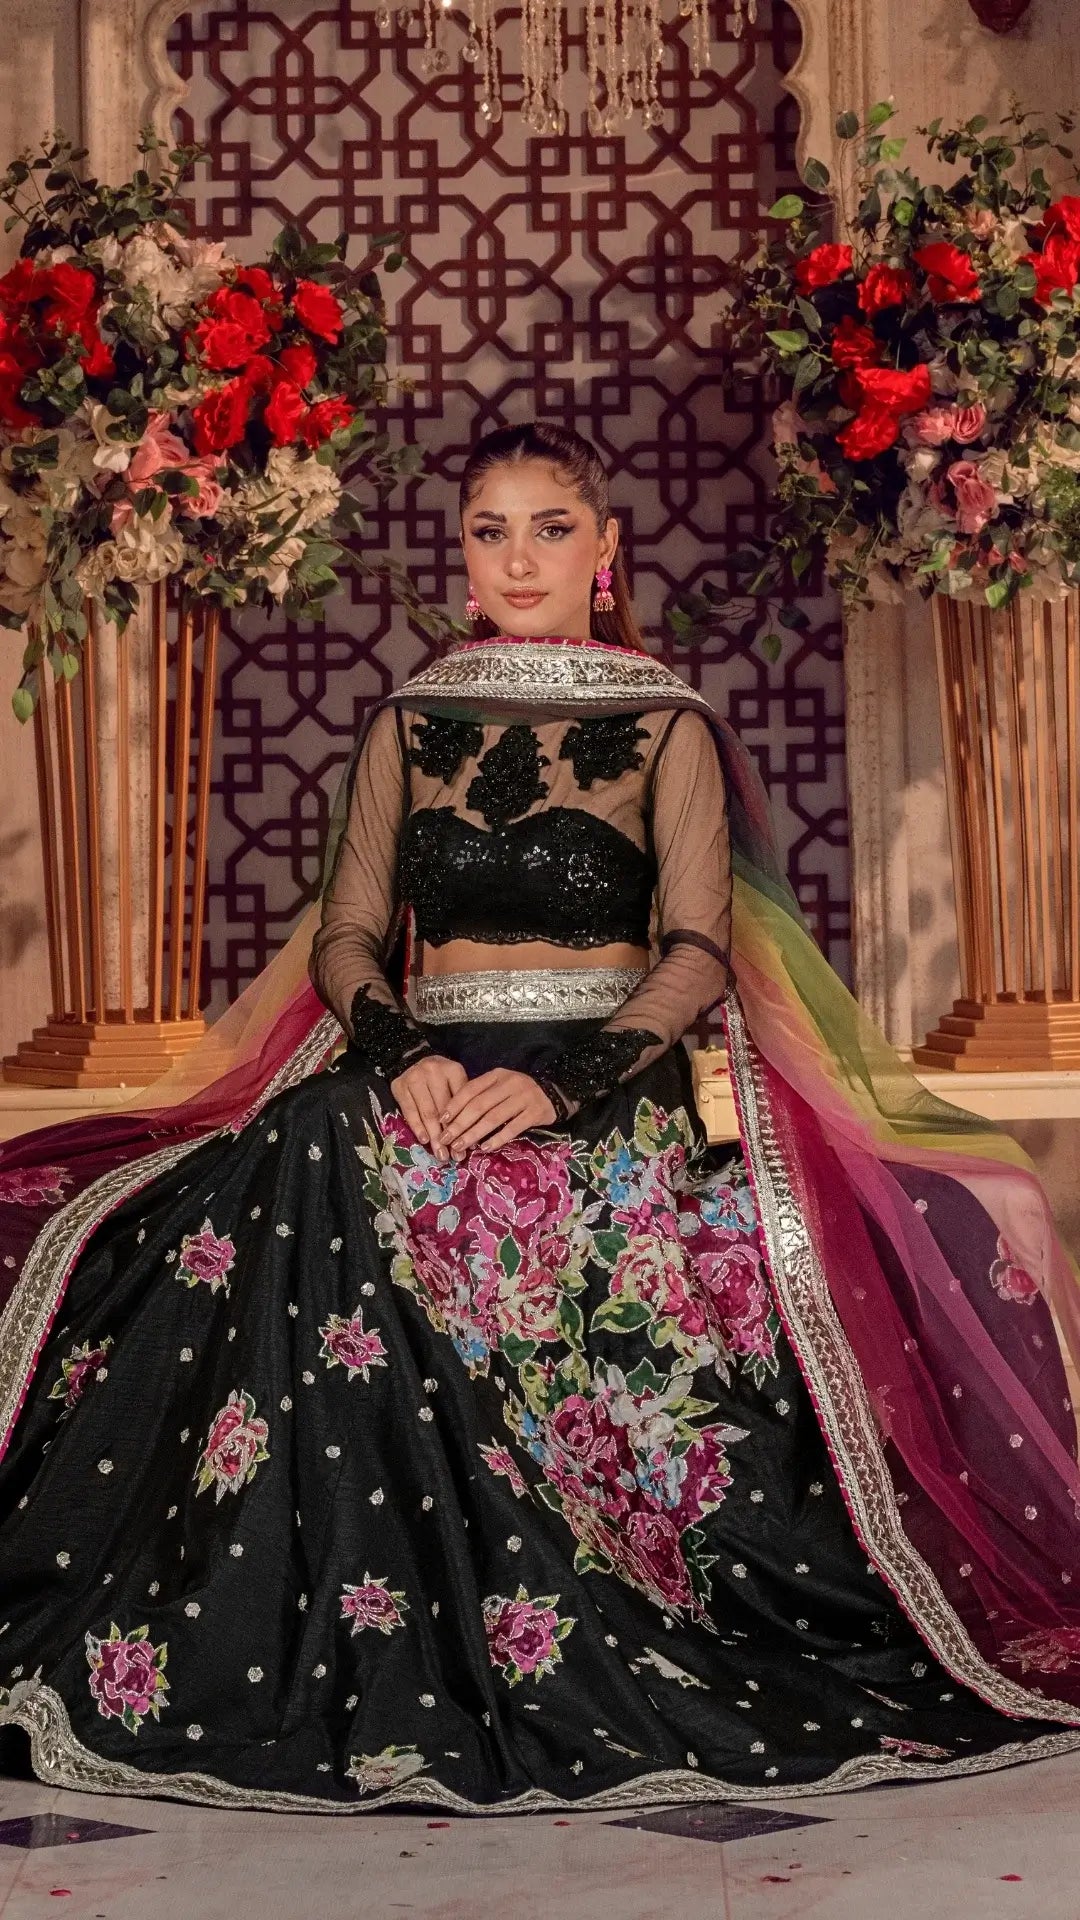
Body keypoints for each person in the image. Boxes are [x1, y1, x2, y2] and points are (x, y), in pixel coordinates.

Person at [1, 420, 1079, 1818]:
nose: (519, 557)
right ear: (462, 557)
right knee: (301, 1150)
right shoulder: (412, 721)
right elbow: (343, 936)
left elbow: (693, 948)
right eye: (491, 530)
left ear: (606, 549)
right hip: (415, 1076)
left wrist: (561, 1081)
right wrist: (399, 1057)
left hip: (597, 1088)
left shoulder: (663, 726)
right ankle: (282, 1611)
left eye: (550, 526)